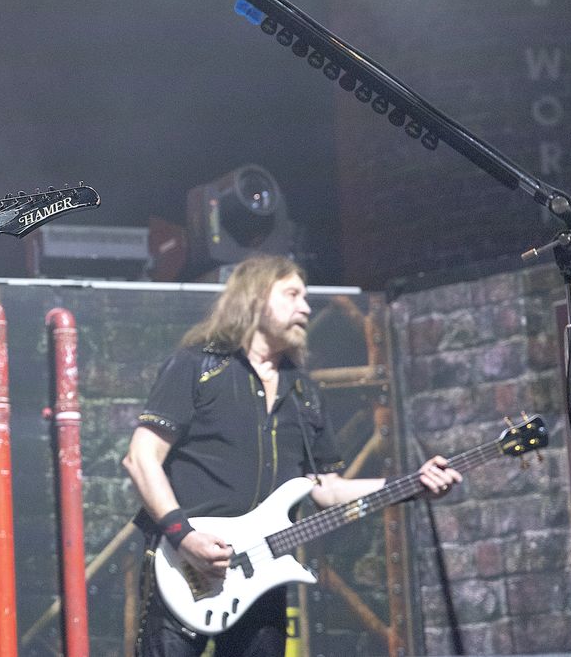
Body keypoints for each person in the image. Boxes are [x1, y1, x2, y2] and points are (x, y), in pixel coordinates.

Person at [121, 254, 461, 657]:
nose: (306, 307)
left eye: (306, 297)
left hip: (258, 576)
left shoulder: (303, 392)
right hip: (179, 566)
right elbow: (141, 458)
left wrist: (411, 485)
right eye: (292, 295)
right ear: (254, 298)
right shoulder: (197, 367)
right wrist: (184, 537)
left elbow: (328, 490)